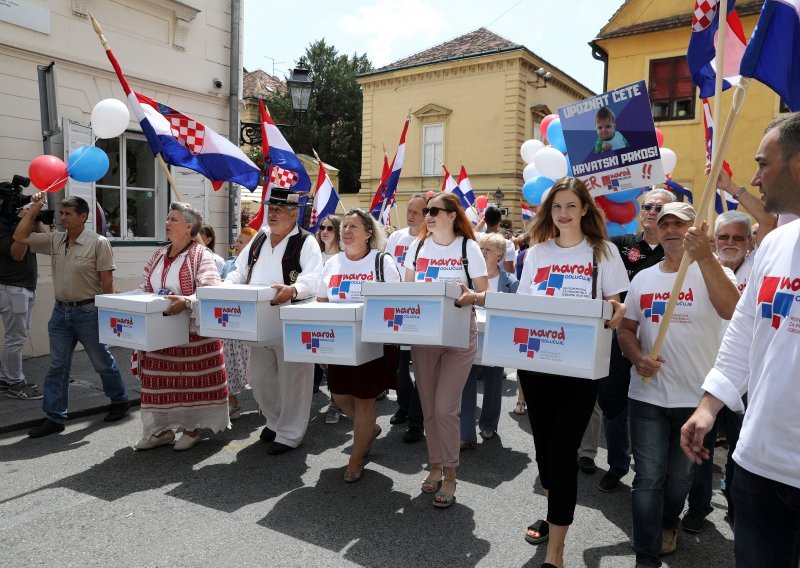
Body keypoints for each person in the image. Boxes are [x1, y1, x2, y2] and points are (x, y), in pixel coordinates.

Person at [681, 113, 800, 567]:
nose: (753, 178)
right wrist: (708, 406)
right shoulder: (774, 244)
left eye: (762, 163)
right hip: (757, 465)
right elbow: (743, 334)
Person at [617, 202, 739, 566]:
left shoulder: (716, 272)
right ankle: (646, 554)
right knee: (648, 478)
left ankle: (668, 522)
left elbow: (732, 309)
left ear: (695, 229)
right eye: (664, 222)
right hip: (646, 396)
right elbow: (626, 329)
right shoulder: (642, 279)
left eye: (679, 223)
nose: (670, 229)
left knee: (678, 480)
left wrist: (705, 259)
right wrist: (637, 357)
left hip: (696, 400)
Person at [516, 177, 628, 568]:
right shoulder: (537, 253)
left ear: (584, 210)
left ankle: (556, 551)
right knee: (544, 452)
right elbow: (523, 306)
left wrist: (617, 310)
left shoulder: (604, 252)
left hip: (580, 367)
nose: (563, 214)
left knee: (563, 453)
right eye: (556, 207)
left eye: (570, 206)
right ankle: (553, 513)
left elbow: (616, 302)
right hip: (537, 363)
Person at [13, 195, 130, 437]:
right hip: (60, 314)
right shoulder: (56, 239)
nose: (62, 218)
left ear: (83, 216)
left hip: (89, 311)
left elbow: (107, 282)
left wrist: (107, 314)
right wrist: (35, 208)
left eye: (68, 214)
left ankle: (119, 400)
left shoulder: (98, 243)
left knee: (101, 362)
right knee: (57, 366)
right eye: (61, 214)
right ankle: (55, 417)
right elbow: (20, 237)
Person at [403, 192, 488, 508]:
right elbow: (408, 290)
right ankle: (435, 464)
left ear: (453, 215)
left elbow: (485, 293)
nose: (427, 214)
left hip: (458, 335)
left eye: (434, 210)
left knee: (444, 407)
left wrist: (472, 297)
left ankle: (451, 474)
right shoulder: (418, 246)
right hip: (423, 332)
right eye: (426, 210)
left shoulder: (469, 247)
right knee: (428, 406)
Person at [225, 188, 323, 455]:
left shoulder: (306, 241)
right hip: (258, 320)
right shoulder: (259, 238)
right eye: (271, 208)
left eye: (279, 209)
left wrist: (293, 289)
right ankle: (275, 420)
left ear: (294, 214)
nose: (273, 213)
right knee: (258, 378)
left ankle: (290, 433)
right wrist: (225, 287)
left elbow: (314, 278)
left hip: (292, 318)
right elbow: (239, 270)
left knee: (295, 380)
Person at [597, 187, 676, 493]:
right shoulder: (619, 245)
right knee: (613, 402)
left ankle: (652, 471)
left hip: (663, 341)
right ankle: (617, 465)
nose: (652, 211)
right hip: (620, 338)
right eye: (647, 206)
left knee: (658, 408)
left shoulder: (679, 253)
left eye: (659, 208)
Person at [132, 203, 228, 450]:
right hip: (157, 335)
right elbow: (145, 287)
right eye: (167, 218)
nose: (167, 223)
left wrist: (186, 301)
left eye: (173, 219)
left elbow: (211, 293)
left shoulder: (201, 255)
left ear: (188, 227)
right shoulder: (158, 254)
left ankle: (192, 429)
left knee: (188, 383)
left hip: (190, 338)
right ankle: (159, 431)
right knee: (156, 384)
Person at [681, 210, 754, 530]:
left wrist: (729, 186)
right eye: (723, 237)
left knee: (740, 445)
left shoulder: (764, 267)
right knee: (703, 446)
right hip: (706, 374)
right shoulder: (695, 268)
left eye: (738, 237)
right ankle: (699, 506)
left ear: (751, 242)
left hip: (748, 378)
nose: (730, 243)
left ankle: (738, 504)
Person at [316, 209, 401, 482]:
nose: (346, 231)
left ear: (368, 233)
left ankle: (355, 458)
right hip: (338, 341)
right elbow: (322, 302)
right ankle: (369, 431)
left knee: (364, 399)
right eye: (345, 227)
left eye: (354, 226)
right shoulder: (332, 263)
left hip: (371, 344)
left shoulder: (382, 262)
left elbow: (395, 303)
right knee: (340, 396)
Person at [459, 232, 518, 448]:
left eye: (488, 250)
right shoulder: (470, 277)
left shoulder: (510, 281)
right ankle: (465, 432)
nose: (483, 253)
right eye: (481, 249)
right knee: (466, 381)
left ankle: (489, 425)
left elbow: (516, 310)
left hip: (497, 337)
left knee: (493, 383)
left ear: (500, 254)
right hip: (471, 334)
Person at [384, 194, 426, 442]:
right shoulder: (396, 237)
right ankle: (404, 405)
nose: (410, 215)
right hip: (395, 310)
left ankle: (417, 421)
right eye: (408, 210)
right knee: (399, 366)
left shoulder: (429, 241)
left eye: (416, 212)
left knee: (420, 369)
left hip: (418, 312)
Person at [0, 193, 46, 400]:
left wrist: (34, 217)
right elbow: (17, 254)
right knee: (15, 338)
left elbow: (44, 241)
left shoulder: (25, 223)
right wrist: (27, 220)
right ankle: (15, 382)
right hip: (12, 289)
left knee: (18, 336)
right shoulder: (4, 228)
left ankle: (5, 378)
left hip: (24, 287)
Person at [220, 226, 256, 420]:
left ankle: (265, 403)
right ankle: (232, 402)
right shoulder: (228, 264)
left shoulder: (258, 266)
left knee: (253, 366)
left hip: (249, 322)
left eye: (241, 242)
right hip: (228, 322)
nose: (236, 244)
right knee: (228, 363)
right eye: (237, 241)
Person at [313, 214, 343, 420]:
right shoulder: (313, 255)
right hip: (313, 315)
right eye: (322, 227)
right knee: (319, 361)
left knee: (334, 363)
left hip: (334, 317)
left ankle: (336, 404)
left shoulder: (343, 258)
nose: (325, 231)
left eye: (330, 228)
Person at [483, 205, 516, 273]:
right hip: (499, 282)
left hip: (478, 282)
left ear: (485, 220)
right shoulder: (508, 244)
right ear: (500, 221)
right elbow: (509, 270)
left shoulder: (476, 240)